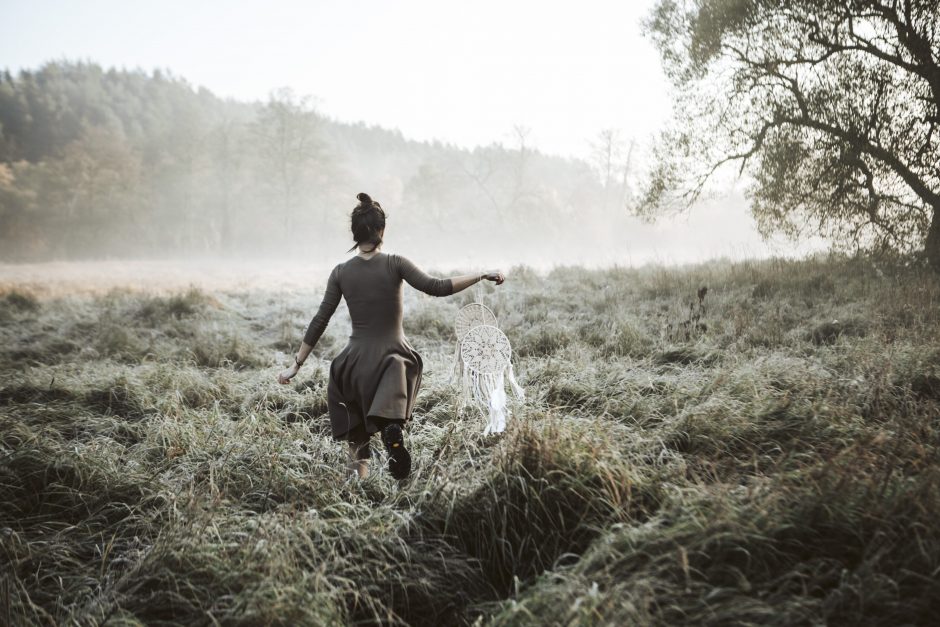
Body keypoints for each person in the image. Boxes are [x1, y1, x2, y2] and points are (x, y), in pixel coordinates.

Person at [277, 193, 504, 480]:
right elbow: (436, 286)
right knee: (394, 393)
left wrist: (296, 365)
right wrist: (481, 274)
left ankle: (357, 493)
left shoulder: (340, 272)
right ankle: (390, 427)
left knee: (357, 444)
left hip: (352, 366)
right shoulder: (396, 263)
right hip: (392, 361)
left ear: (354, 233)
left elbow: (320, 319)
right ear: (381, 231)